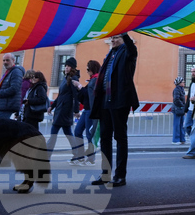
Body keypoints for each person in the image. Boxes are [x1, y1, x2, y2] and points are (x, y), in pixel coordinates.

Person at [90, 33, 139, 187]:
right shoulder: (109, 55)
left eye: (116, 37)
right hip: (105, 101)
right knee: (105, 138)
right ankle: (105, 174)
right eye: (112, 38)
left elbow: (132, 49)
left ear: (124, 39)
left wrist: (125, 31)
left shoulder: (128, 52)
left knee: (120, 138)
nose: (113, 40)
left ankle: (120, 175)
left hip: (119, 101)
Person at [48, 58, 81, 153]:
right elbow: (60, 96)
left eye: (68, 66)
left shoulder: (73, 79)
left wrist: (76, 111)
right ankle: (77, 154)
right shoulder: (66, 78)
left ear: (73, 68)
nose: (66, 68)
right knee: (68, 134)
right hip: (61, 109)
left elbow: (75, 95)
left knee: (54, 134)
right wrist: (52, 106)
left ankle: (46, 155)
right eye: (65, 66)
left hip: (64, 110)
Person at [0, 54, 24, 119]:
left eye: (7, 60)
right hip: (4, 105)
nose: (5, 62)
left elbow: (14, 89)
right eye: (4, 60)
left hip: (7, 106)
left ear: (13, 60)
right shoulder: (9, 72)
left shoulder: (16, 72)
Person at [171, 77, 186, 144]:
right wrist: (182, 105)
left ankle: (182, 139)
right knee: (177, 125)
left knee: (181, 125)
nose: (184, 82)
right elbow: (176, 99)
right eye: (183, 81)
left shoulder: (181, 89)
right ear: (179, 83)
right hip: (178, 109)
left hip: (180, 109)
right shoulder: (177, 90)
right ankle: (176, 140)